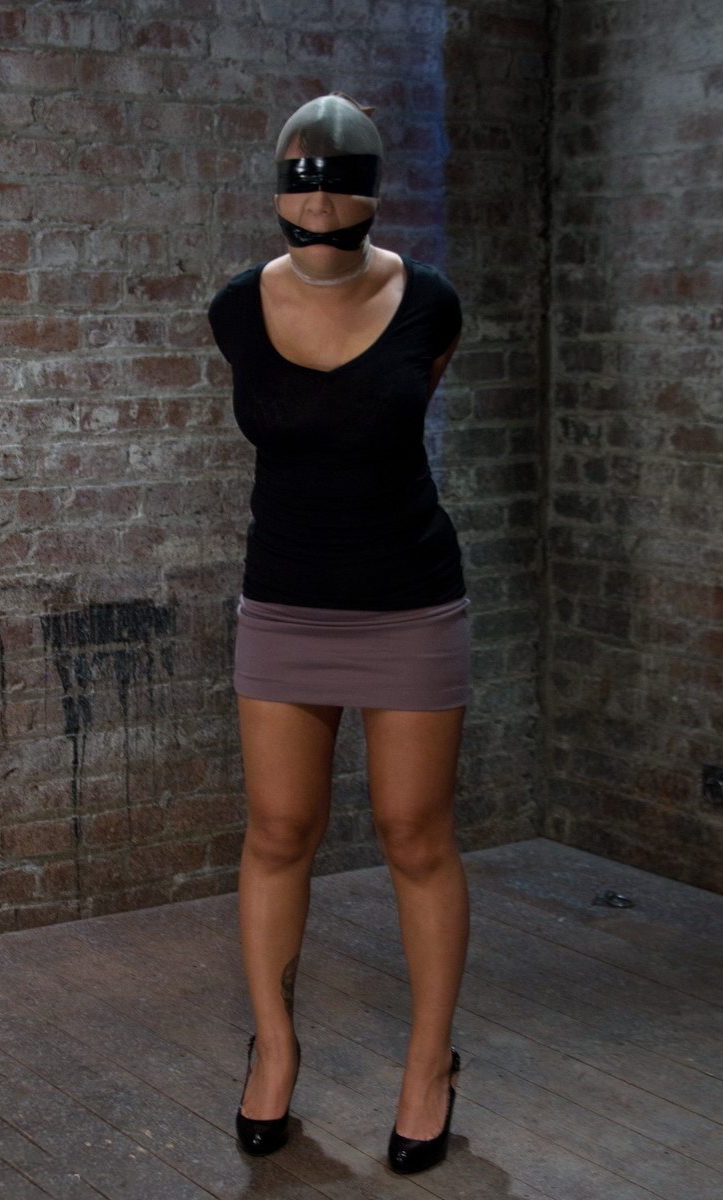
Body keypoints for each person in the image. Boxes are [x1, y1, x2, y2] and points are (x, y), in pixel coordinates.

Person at [208, 92, 470, 1175]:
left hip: (408, 598)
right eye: (300, 190)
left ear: (369, 196)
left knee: (415, 834)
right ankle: (273, 1050)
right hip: (285, 598)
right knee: (278, 829)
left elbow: (395, 420)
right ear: (280, 195)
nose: (317, 210)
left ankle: (428, 1070)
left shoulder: (430, 304)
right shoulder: (236, 309)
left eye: (336, 190)